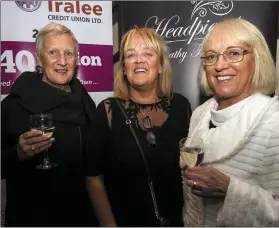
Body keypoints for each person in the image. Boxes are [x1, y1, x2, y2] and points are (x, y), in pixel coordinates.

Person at [182, 18, 279, 227]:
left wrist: (230, 190)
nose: (220, 66)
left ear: (256, 59)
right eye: (211, 57)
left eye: (234, 53)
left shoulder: (277, 127)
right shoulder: (200, 114)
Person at [86, 27, 192, 227]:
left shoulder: (182, 106)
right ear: (124, 67)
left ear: (160, 65)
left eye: (148, 54)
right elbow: (93, 178)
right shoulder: (108, 111)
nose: (138, 60)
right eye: (130, 55)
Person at [1, 22, 98, 227]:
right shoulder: (16, 103)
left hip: (82, 216)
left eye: (69, 53)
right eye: (53, 52)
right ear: (39, 58)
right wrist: (18, 153)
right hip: (32, 218)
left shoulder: (85, 101)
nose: (62, 61)